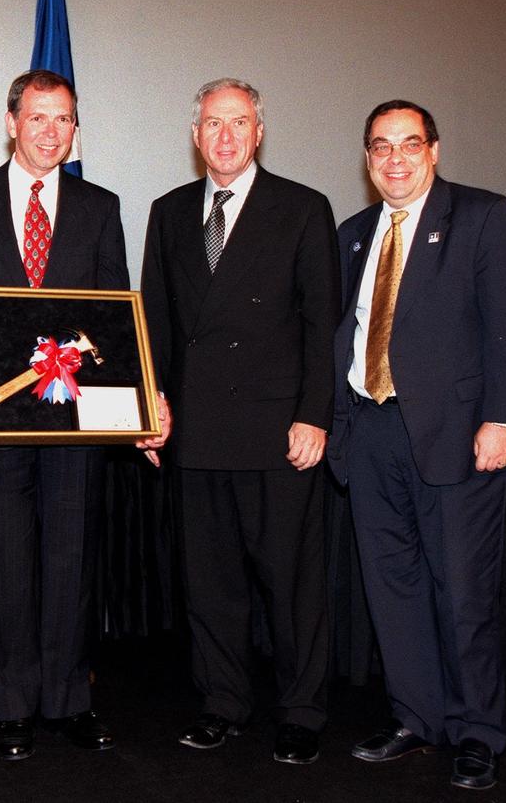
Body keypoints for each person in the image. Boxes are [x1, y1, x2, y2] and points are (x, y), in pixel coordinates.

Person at [0, 70, 166, 761]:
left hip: (77, 419)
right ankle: (11, 706)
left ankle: (69, 700)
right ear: (11, 122)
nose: (51, 131)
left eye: (64, 120)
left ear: (76, 129)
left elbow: (115, 314)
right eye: (38, 117)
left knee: (72, 559)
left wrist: (138, 402)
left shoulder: (99, 206)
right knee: (4, 561)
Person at [328, 101, 506, 791]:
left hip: (458, 437)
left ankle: (479, 730)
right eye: (381, 146)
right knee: (394, 590)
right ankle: (417, 718)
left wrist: (504, 419)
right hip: (370, 432)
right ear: (367, 158)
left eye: (409, 144)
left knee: (464, 594)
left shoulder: (484, 217)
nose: (395, 158)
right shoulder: (354, 233)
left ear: (435, 150)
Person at [139, 78, 339, 765]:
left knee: (290, 583)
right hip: (195, 432)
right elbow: (157, 325)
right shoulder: (167, 213)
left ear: (260, 132)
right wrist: (151, 405)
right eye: (213, 123)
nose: (226, 136)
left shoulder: (303, 208)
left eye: (240, 122)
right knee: (212, 585)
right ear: (195, 136)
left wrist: (314, 415)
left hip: (277, 430)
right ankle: (223, 702)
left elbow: (324, 327)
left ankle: (302, 711)